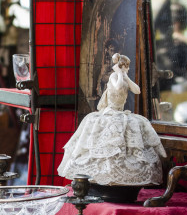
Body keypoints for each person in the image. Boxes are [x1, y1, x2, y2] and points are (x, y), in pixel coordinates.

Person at [58, 53, 166, 186]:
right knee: (108, 139)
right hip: (109, 111)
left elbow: (137, 90)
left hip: (121, 112)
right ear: (121, 66)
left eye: (127, 67)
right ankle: (103, 176)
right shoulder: (114, 76)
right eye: (126, 66)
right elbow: (118, 87)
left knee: (136, 124)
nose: (127, 68)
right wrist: (119, 73)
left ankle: (122, 177)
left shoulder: (124, 77)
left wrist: (125, 75)